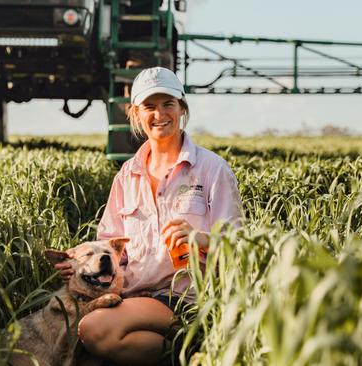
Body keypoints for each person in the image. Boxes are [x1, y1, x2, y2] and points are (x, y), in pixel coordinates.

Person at [55, 67, 244, 365]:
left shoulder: (212, 169)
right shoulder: (128, 174)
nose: (160, 114)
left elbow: (240, 244)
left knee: (93, 329)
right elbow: (110, 246)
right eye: (150, 106)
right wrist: (79, 264)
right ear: (136, 114)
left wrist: (202, 239)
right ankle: (189, 351)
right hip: (131, 296)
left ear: (182, 108)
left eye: (168, 103)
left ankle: (193, 342)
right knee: (88, 354)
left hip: (184, 298)